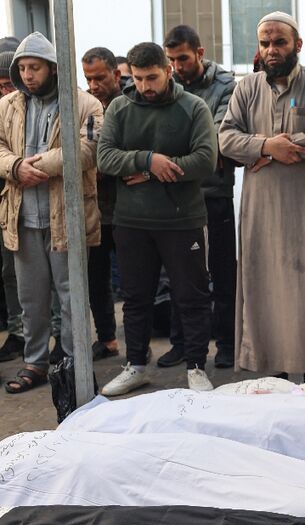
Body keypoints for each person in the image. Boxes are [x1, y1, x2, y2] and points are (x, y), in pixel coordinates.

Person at [219, 11, 305, 382]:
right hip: (262, 211)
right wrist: (265, 145)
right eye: (265, 43)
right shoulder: (246, 88)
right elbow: (226, 138)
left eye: (279, 42)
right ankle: (272, 374)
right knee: (264, 285)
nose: (272, 50)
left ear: (297, 44)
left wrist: (276, 148)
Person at [97, 42, 217, 395]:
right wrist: (148, 159)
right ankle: (135, 365)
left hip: (182, 220)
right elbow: (105, 158)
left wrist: (152, 172)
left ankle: (196, 366)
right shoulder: (120, 108)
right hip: (132, 220)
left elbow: (206, 160)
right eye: (139, 78)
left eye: (152, 77)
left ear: (168, 71)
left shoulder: (193, 107)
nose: (146, 86)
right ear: (129, 76)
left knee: (191, 296)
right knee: (135, 298)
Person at [0, 32, 102, 392]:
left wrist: (38, 165)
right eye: (23, 68)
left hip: (67, 217)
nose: (28, 75)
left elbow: (89, 151)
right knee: (31, 299)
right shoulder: (7, 105)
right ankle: (35, 363)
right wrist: (15, 167)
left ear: (53, 68)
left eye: (35, 67)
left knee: (72, 294)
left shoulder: (84, 104)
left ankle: (76, 364)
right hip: (23, 216)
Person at [161, 24, 237, 370]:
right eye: (172, 59)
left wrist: (184, 151)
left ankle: (226, 343)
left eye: (183, 58)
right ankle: (183, 343)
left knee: (222, 272)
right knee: (180, 275)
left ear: (200, 53)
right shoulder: (166, 85)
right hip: (178, 194)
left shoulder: (225, 84)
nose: (177, 66)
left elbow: (217, 140)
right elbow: (162, 139)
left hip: (214, 192)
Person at [81, 47, 123, 362]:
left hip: (126, 208)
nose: (93, 85)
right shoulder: (83, 107)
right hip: (94, 208)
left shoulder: (129, 105)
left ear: (115, 74)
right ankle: (107, 339)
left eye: (99, 78)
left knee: (136, 282)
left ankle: (138, 343)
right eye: (88, 79)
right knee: (96, 279)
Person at [0, 49, 26, 363]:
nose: (5, 91)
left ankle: (28, 334)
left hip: (23, 200)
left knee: (18, 272)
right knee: (8, 272)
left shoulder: (26, 111)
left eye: (9, 84)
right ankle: (18, 332)